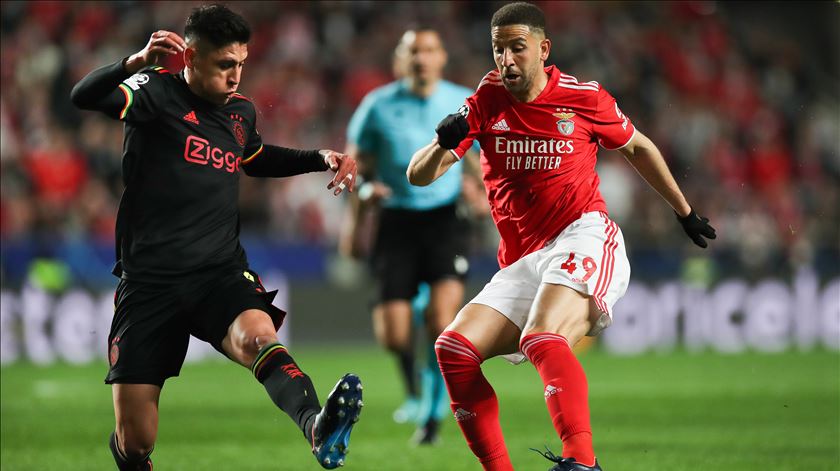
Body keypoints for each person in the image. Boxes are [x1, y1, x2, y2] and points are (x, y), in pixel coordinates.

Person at [407, 3, 716, 471]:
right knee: (453, 350)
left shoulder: (584, 97)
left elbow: (638, 146)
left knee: (543, 336)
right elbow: (418, 175)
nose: (506, 60)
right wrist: (442, 143)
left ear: (543, 49)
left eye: (517, 48)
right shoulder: (486, 99)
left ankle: (582, 463)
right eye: (498, 50)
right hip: (522, 261)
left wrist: (684, 211)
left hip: (583, 234)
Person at [70, 5, 362, 470]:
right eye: (226, 64)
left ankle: (316, 425)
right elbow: (83, 97)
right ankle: (128, 454)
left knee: (257, 336)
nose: (236, 76)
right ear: (190, 56)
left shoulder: (240, 113)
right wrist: (134, 62)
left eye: (242, 63)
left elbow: (257, 156)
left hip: (218, 270)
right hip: (150, 282)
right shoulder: (154, 93)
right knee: (137, 442)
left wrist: (318, 156)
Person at [343, 28, 480, 445]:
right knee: (394, 334)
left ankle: (432, 420)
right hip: (396, 222)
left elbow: (477, 158)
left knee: (442, 322)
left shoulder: (462, 101)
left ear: (441, 58)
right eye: (413, 52)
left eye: (429, 51)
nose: (421, 58)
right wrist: (364, 196)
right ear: (400, 61)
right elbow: (356, 167)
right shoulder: (377, 106)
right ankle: (416, 386)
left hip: (444, 220)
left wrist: (483, 193)